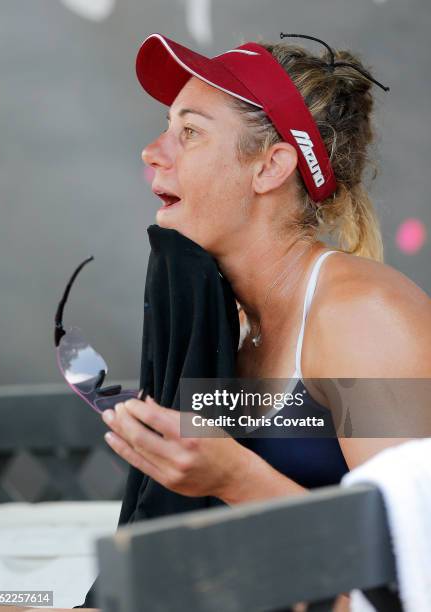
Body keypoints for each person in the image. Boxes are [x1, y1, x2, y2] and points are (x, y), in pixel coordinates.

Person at [99, 33, 431, 611]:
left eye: (190, 132)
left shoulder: (360, 318)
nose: (152, 151)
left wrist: (232, 476)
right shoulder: (230, 320)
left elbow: (413, 577)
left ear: (271, 166)